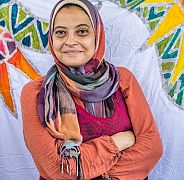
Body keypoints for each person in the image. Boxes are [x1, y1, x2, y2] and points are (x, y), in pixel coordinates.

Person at [20, 0, 163, 179]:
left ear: (97, 35)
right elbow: (57, 170)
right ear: (51, 38)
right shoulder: (35, 93)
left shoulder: (122, 80)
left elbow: (151, 148)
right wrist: (118, 142)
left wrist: (84, 168)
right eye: (61, 33)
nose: (70, 41)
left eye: (81, 31)